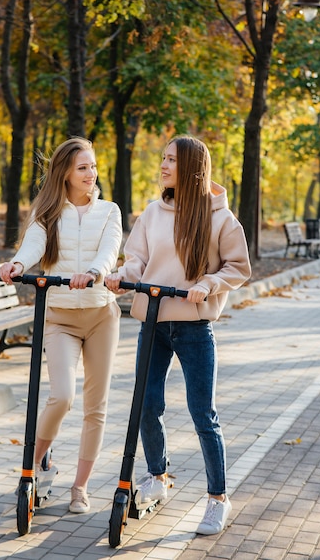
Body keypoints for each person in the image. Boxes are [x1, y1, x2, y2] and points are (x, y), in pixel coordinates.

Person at [105, 135, 251, 535]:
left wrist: (208, 283)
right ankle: (158, 475)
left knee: (203, 414)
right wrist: (121, 278)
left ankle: (218, 497)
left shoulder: (221, 218)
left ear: (190, 168)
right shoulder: (153, 213)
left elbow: (238, 267)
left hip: (193, 327)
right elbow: (136, 261)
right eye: (164, 158)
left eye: (171, 160)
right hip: (153, 321)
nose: (164, 165)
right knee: (146, 405)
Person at [0, 137, 122, 514]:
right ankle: (32, 465)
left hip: (101, 314)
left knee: (95, 406)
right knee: (62, 396)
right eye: (82, 167)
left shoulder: (110, 211)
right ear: (65, 173)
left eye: (93, 166)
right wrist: (18, 266)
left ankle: (80, 487)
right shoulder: (48, 210)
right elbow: (33, 244)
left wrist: (95, 272)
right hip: (60, 317)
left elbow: (110, 249)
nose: (91, 173)